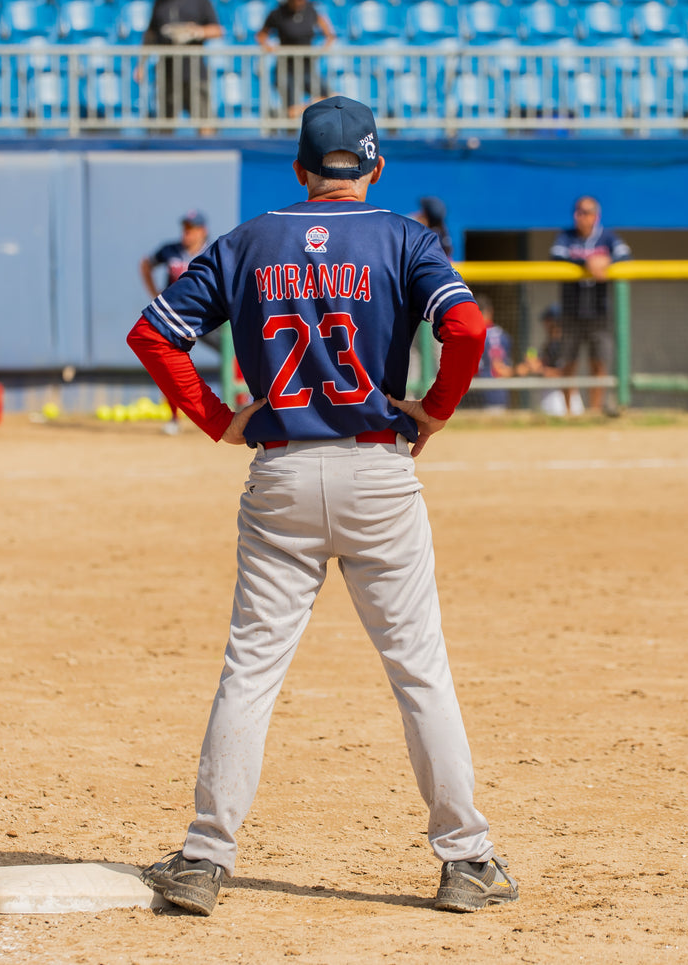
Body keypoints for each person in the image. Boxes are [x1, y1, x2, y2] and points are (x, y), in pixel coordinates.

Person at [126, 95, 517, 917]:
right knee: (418, 669)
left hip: (280, 471)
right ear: (374, 167)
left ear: (301, 170)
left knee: (251, 670)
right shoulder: (406, 237)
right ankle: (466, 858)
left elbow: (153, 335)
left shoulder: (248, 240)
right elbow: (469, 327)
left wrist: (214, 418)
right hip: (378, 468)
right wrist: (437, 409)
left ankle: (203, 857)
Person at [549, 195, 631, 415]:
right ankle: (568, 412)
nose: (579, 217)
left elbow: (625, 255)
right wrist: (587, 262)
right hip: (571, 312)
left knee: (599, 362)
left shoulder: (608, 237)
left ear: (595, 216)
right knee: (569, 362)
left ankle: (595, 411)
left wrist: (607, 260)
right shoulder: (566, 237)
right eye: (577, 212)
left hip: (599, 313)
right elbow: (556, 255)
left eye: (585, 212)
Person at [141, 210, 213, 434]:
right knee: (166, 362)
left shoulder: (212, 252)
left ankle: (244, 400)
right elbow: (146, 264)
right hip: (176, 317)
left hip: (207, 316)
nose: (187, 233)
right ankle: (173, 418)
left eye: (191, 229)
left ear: (203, 231)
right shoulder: (170, 251)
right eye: (185, 228)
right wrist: (154, 293)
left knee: (237, 350)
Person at [143, 0, 223, 132]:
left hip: (194, 72)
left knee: (204, 121)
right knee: (165, 124)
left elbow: (218, 30)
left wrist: (197, 32)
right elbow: (150, 34)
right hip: (167, 73)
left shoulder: (200, 2)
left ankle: (209, 150)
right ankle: (166, 152)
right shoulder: (160, 3)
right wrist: (141, 63)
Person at [256, 0, 336, 116]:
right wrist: (270, 48)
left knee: (330, 98)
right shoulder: (278, 13)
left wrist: (322, 49)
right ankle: (289, 114)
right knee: (291, 110)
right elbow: (261, 36)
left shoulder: (311, 10)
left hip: (307, 67)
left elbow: (329, 34)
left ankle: (302, 108)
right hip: (285, 68)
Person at [515, 304, 584, 416]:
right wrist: (529, 366)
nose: (545, 325)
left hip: (564, 398)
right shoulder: (550, 344)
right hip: (552, 395)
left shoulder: (565, 343)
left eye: (548, 321)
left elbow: (564, 374)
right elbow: (544, 364)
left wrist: (539, 370)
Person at [474, 294, 513, 409]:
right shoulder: (504, 335)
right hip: (499, 391)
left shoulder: (474, 335)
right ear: (490, 311)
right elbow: (504, 368)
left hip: (477, 392)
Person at [412, 196, 453, 260]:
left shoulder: (425, 240)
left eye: (422, 212)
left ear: (426, 217)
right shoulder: (442, 235)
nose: (417, 214)